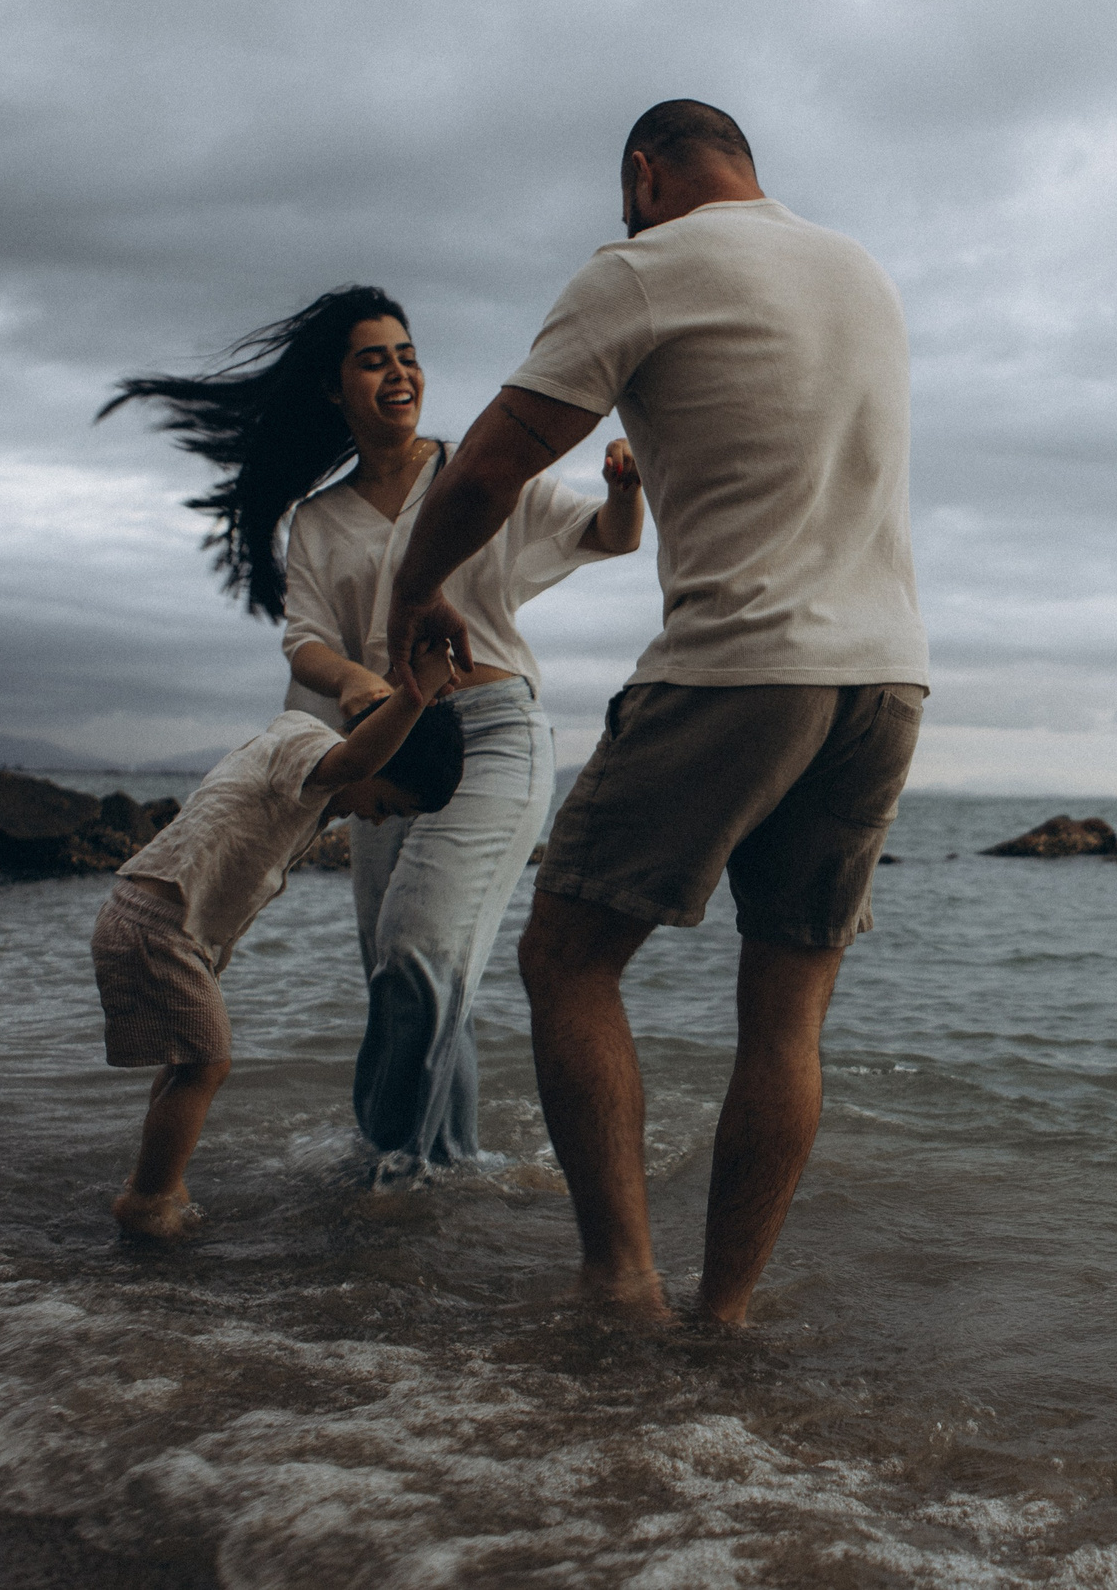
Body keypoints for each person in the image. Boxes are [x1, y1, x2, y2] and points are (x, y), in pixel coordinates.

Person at [385, 99, 928, 1323]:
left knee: (566, 958)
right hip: (887, 678)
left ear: (645, 172)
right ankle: (725, 1316)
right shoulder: (860, 271)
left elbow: (484, 467)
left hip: (742, 665)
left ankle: (620, 1285)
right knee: (787, 1012)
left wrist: (415, 593)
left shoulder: (642, 267)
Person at [103, 289, 645, 1171]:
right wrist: (363, 685)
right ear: (334, 388)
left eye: (407, 354)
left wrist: (626, 488)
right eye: (373, 358)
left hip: (494, 735)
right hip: (388, 745)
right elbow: (305, 641)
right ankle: (446, 1169)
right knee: (410, 985)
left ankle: (386, 1174)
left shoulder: (476, 470)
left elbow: (608, 535)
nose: (400, 371)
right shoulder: (317, 520)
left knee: (418, 953)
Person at [96, 641, 463, 1240]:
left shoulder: (308, 767)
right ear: (379, 760)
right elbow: (355, 760)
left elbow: (361, 753)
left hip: (169, 927)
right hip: (156, 924)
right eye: (387, 805)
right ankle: (146, 1198)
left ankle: (163, 1180)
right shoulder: (311, 750)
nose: (375, 819)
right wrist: (414, 694)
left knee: (188, 1062)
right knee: (208, 1065)